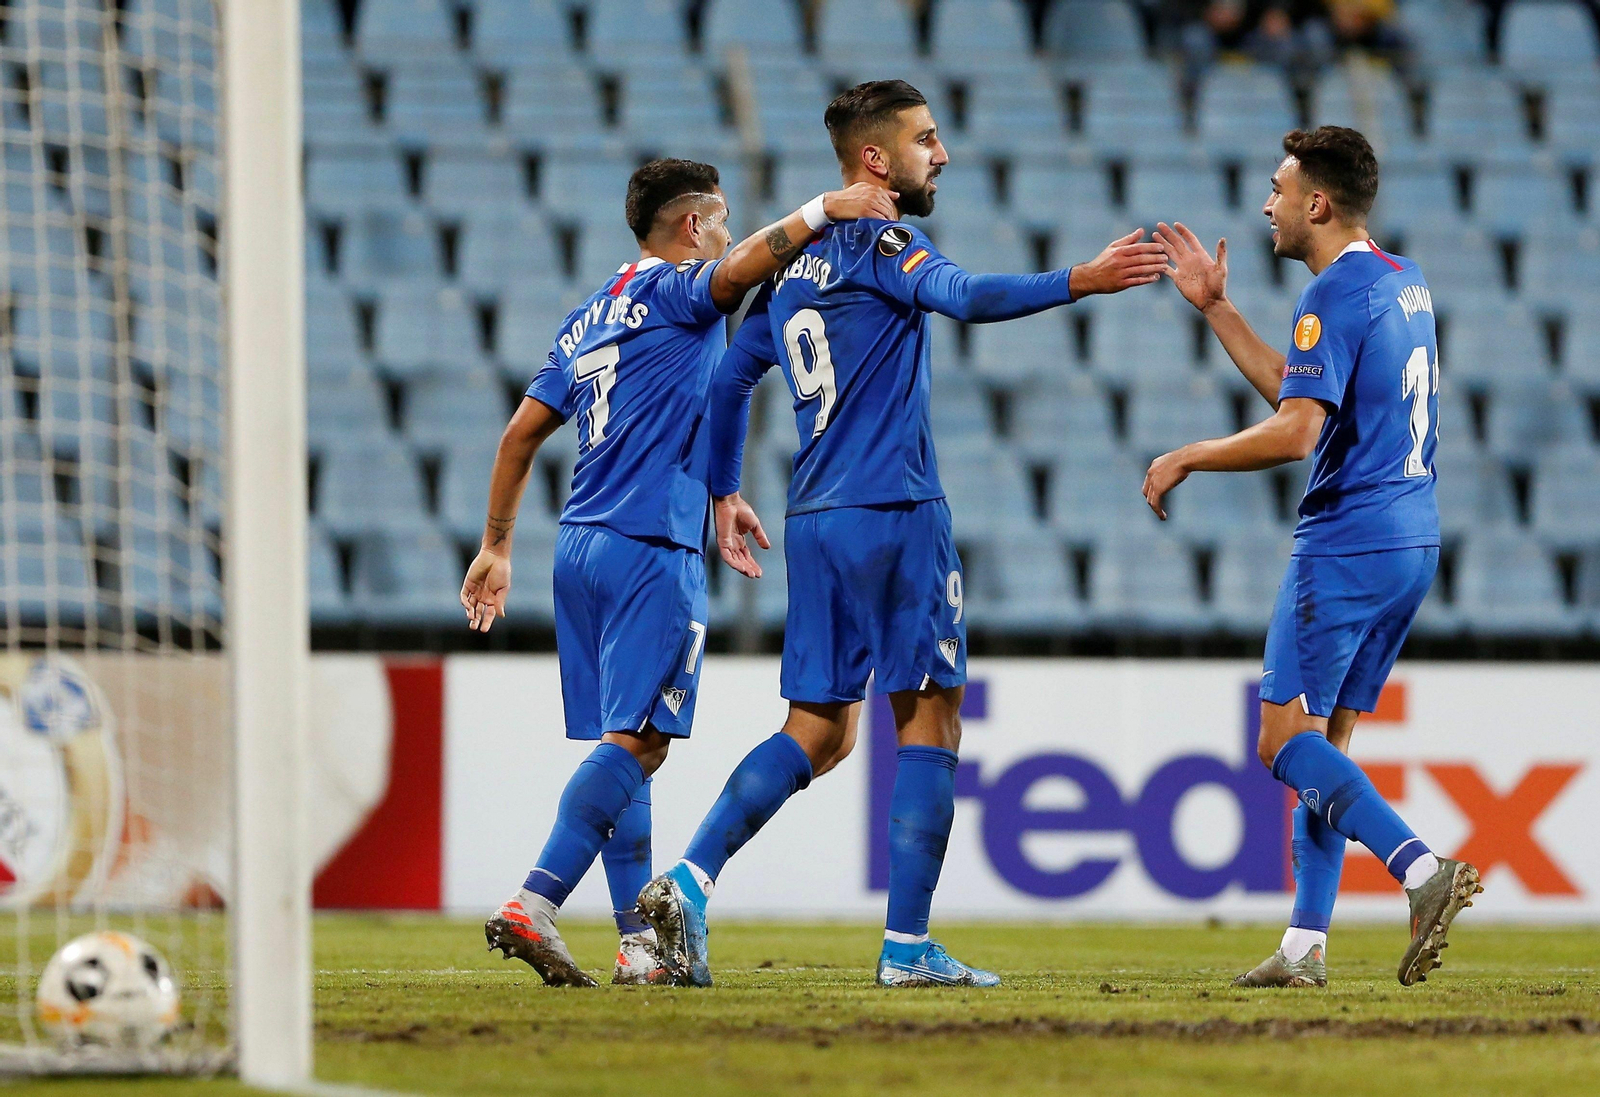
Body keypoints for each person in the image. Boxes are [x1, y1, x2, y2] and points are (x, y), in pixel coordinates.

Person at [637, 80, 1169, 989]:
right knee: (931, 716)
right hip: (895, 509)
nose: (943, 154)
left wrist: (724, 492)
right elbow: (965, 296)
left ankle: (688, 878)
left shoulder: (786, 270)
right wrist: (1080, 277)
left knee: (817, 728)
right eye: (927, 139)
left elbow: (729, 383)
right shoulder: (887, 242)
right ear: (875, 159)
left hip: (815, 519)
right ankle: (907, 946)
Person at [461, 158, 895, 987]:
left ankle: (638, 946)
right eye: (721, 219)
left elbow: (520, 433)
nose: (727, 235)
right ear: (692, 226)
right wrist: (822, 210)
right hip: (649, 547)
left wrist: (496, 545)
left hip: (578, 546)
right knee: (641, 740)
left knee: (631, 746)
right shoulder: (676, 290)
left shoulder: (590, 313)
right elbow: (738, 271)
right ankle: (535, 900)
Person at [1143, 126, 1481, 988]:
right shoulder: (1404, 282)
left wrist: (1190, 453)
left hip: (1348, 542)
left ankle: (1419, 868)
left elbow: (1297, 433)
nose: (1268, 204)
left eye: (1279, 189)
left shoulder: (1332, 294)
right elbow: (1305, 392)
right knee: (1325, 743)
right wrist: (1217, 307)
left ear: (1316, 204)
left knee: (1280, 738)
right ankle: (1304, 947)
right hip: (1412, 540)